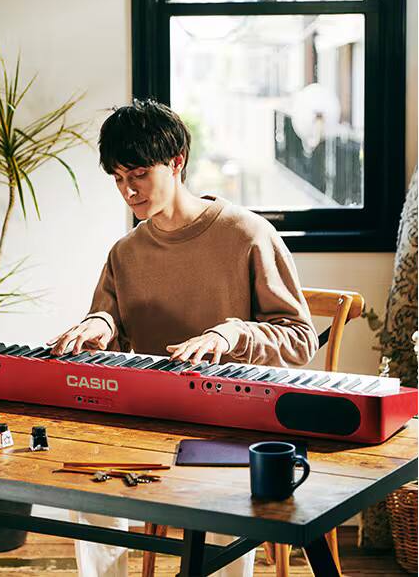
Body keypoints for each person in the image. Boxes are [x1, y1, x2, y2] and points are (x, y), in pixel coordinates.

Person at [47, 99, 317, 577]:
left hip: (231, 421)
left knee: (223, 502)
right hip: (150, 416)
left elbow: (300, 339)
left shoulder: (247, 234)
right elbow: (111, 334)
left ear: (176, 162)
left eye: (139, 174)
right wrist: (101, 325)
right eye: (118, 178)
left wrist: (232, 334)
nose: (128, 190)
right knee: (87, 485)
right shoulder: (125, 252)